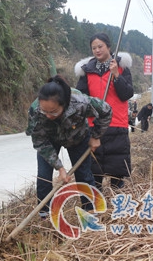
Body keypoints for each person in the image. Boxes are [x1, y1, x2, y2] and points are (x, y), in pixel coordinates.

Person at [26, 75, 112, 218]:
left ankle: (90, 210)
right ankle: (45, 215)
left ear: (64, 104)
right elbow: (39, 141)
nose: (48, 115)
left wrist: (96, 136)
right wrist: (59, 167)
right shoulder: (35, 111)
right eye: (44, 111)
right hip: (49, 139)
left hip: (78, 137)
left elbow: (106, 110)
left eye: (53, 111)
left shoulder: (80, 102)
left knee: (84, 175)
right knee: (43, 176)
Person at [75, 33, 134, 190]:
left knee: (117, 172)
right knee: (95, 172)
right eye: (94, 48)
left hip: (117, 124)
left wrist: (116, 75)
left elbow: (127, 94)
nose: (97, 50)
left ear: (108, 47)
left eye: (100, 46)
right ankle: (97, 202)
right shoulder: (86, 71)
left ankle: (116, 201)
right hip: (94, 125)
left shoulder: (121, 67)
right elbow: (80, 99)